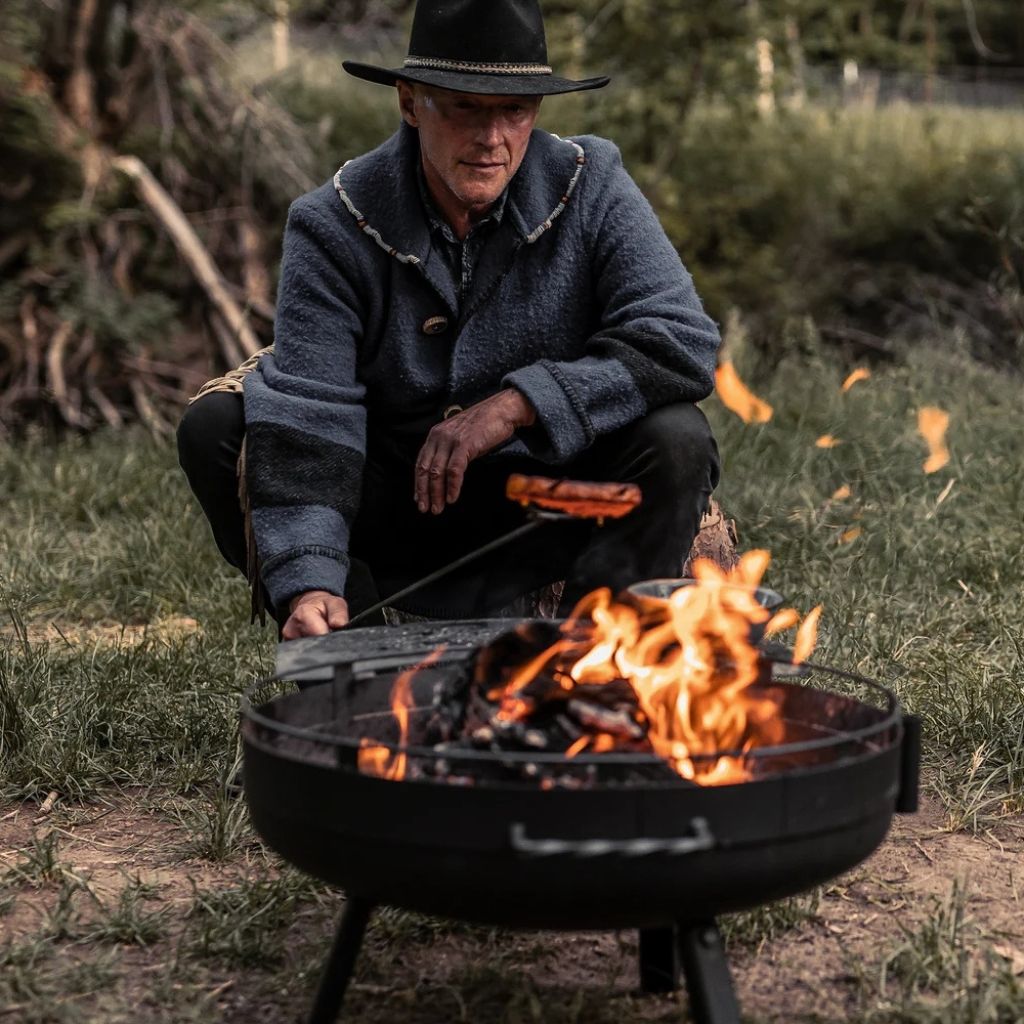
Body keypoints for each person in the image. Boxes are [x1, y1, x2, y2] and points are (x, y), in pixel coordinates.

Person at [177, 0, 721, 641]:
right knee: (217, 427)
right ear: (410, 103)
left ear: (536, 113)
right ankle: (352, 666)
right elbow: (311, 408)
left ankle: (586, 669)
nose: (492, 139)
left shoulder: (591, 184)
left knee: (677, 436)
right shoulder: (330, 223)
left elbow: (682, 341)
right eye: (465, 106)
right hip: (395, 509)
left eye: (513, 111)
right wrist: (306, 573)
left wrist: (517, 405)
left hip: (549, 507)